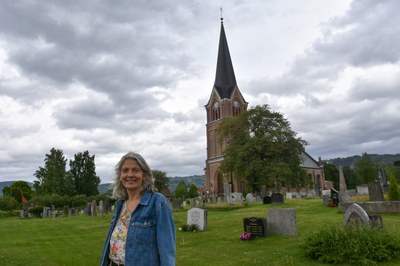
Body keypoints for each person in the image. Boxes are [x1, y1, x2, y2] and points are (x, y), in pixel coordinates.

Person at [100, 152, 176, 266]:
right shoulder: (120, 205)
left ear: (144, 175)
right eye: (125, 170)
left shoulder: (157, 202)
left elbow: (167, 250)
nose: (130, 175)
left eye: (135, 170)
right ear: (120, 176)